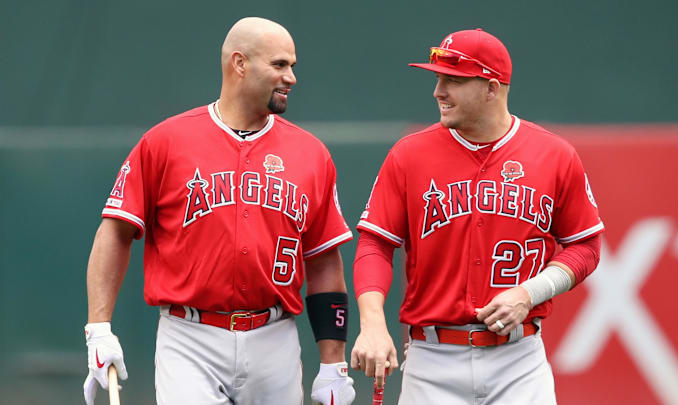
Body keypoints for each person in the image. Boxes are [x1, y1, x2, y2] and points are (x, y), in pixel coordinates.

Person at [83, 17, 356, 405]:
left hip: (274, 336)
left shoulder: (312, 154)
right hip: (190, 337)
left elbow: (325, 261)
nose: (291, 77)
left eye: (292, 66)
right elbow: (115, 232)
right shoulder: (165, 142)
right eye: (279, 65)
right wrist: (99, 327)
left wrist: (333, 364)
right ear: (240, 63)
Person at [350, 28, 603, 404]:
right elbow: (375, 242)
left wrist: (528, 293)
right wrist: (371, 323)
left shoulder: (554, 155)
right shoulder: (409, 155)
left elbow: (585, 246)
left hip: (519, 361)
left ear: (491, 87)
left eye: (453, 80)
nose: (438, 91)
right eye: (438, 79)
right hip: (432, 358)